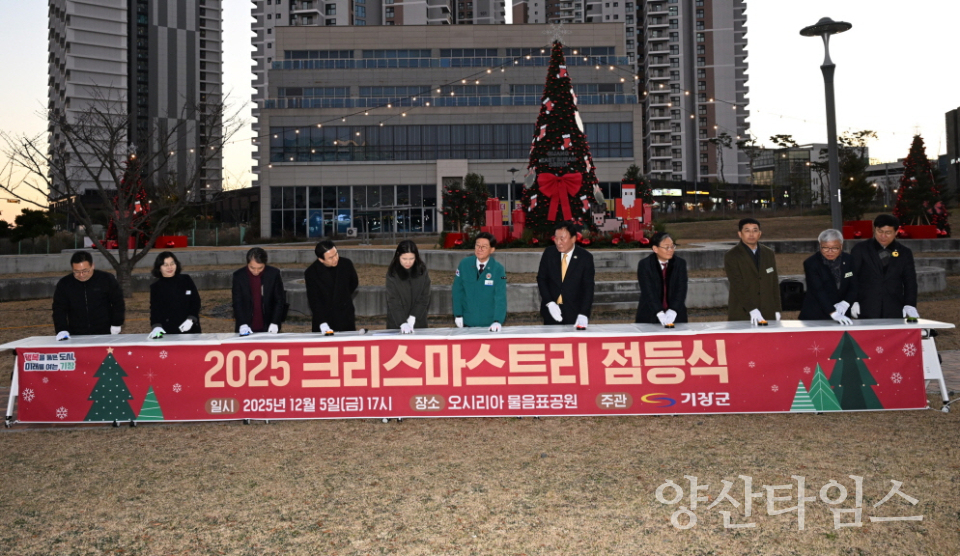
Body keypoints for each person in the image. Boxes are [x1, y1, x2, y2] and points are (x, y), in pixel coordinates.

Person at [850, 214, 918, 319]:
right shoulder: (860, 249)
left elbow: (910, 280)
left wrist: (909, 304)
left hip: (894, 307)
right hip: (866, 306)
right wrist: (852, 300)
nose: (883, 236)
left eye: (888, 233)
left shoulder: (904, 253)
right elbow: (851, 277)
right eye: (880, 231)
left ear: (896, 232)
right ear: (874, 230)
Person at [52, 251, 125, 339]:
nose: (81, 275)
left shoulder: (106, 279)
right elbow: (59, 309)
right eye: (76, 272)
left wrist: (117, 323)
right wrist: (61, 329)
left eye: (85, 271)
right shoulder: (65, 284)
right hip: (76, 333)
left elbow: (118, 302)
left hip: (105, 331)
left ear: (92, 266)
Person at [536, 221, 595, 327]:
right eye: (556, 238)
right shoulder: (549, 253)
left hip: (575, 313)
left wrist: (584, 313)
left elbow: (588, 287)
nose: (558, 242)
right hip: (551, 312)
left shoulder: (585, 258)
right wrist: (549, 302)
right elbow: (542, 279)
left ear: (573, 239)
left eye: (562, 239)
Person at [724, 218, 781, 324]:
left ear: (760, 233)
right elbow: (737, 285)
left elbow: (774, 282)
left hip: (768, 311)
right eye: (747, 230)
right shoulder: (732, 255)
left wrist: (777, 309)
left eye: (755, 230)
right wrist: (752, 309)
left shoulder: (768, 253)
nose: (751, 234)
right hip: (743, 312)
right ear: (740, 234)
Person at [798, 229, 856, 325]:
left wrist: (846, 302)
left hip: (843, 313)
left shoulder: (849, 260)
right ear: (820, 245)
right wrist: (833, 313)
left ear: (841, 246)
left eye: (835, 248)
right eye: (825, 248)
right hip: (816, 315)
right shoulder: (811, 263)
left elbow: (854, 284)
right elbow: (818, 290)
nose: (830, 252)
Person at [452, 232, 507, 332]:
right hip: (467, 321)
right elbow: (457, 291)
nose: (479, 249)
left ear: (492, 250)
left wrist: (497, 320)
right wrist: (458, 314)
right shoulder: (465, 264)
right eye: (477, 245)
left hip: (489, 323)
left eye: (484, 246)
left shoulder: (498, 269)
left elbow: (500, 296)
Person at [304, 240, 359, 333]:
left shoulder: (346, 264)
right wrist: (322, 322)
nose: (335, 259)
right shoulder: (311, 272)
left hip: (345, 316)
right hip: (325, 318)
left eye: (336, 254)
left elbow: (354, 283)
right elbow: (314, 300)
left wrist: (343, 296)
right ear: (321, 259)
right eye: (330, 258)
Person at [635, 232, 688, 326]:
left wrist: (673, 310)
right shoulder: (645, 265)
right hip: (650, 314)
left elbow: (681, 289)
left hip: (676, 315)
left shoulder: (680, 263)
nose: (670, 250)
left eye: (672, 246)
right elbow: (648, 291)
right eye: (666, 247)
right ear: (655, 249)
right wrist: (659, 312)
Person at [232, 247, 286, 335]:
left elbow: (279, 300)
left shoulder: (273, 274)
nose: (256, 271)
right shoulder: (238, 276)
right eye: (252, 268)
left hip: (268, 324)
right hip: (246, 325)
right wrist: (242, 323)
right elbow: (237, 302)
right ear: (247, 263)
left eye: (260, 268)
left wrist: (275, 322)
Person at [148, 252, 202, 339]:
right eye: (165, 265)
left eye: (172, 263)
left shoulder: (186, 280)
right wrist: (156, 326)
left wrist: (191, 319)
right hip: (168, 330)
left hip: (190, 328)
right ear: (159, 268)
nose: (170, 267)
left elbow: (195, 301)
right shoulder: (156, 287)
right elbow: (155, 309)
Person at [385, 240, 431, 333]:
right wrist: (402, 322)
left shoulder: (422, 271)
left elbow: (425, 296)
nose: (408, 262)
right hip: (396, 323)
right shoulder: (392, 274)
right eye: (404, 259)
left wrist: (414, 316)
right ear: (398, 256)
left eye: (411, 258)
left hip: (419, 321)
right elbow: (393, 300)